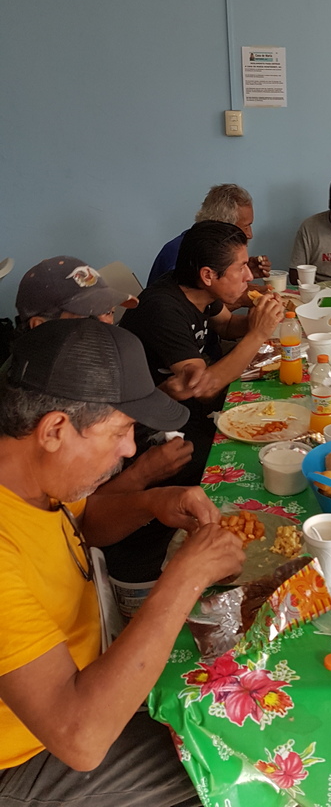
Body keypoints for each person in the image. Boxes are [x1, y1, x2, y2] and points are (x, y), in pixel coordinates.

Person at [0, 318, 244, 805]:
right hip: (30, 753)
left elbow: (80, 525)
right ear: (55, 429)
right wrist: (187, 576)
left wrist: (153, 502)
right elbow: (81, 739)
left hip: (89, 677)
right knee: (235, 754)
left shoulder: (31, 474)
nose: (131, 448)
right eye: (121, 430)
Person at [115, 221, 283, 580]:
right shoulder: (163, 308)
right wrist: (259, 334)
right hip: (148, 430)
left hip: (184, 411)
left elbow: (226, 326)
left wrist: (257, 319)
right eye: (241, 267)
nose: (248, 275)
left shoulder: (200, 293)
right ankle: (192, 555)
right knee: (246, 461)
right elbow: (203, 386)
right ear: (208, 274)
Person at [13, 256, 194, 495]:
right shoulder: (31, 399)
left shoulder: (95, 364)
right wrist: (142, 475)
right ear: (40, 326)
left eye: (108, 312)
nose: (106, 327)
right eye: (88, 318)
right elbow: (72, 509)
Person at [148, 183, 270, 285]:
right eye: (246, 227)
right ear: (223, 225)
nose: (249, 234)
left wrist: (240, 272)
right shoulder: (184, 255)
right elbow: (192, 305)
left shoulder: (201, 246)